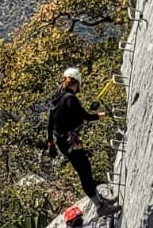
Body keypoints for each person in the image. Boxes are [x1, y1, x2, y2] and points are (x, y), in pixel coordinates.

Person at [46, 68, 119, 219]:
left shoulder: (57, 97)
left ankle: (100, 200)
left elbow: (50, 121)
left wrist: (50, 143)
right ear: (76, 83)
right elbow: (85, 116)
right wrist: (103, 115)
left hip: (63, 142)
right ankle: (100, 206)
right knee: (85, 172)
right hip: (71, 141)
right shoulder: (70, 98)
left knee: (84, 170)